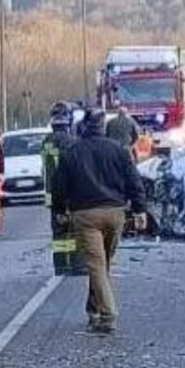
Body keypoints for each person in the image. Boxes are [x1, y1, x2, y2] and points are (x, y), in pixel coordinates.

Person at [51, 107, 146, 334]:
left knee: (96, 265)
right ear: (103, 128)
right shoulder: (119, 150)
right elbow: (134, 181)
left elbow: (59, 186)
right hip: (115, 213)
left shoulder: (72, 152)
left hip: (85, 216)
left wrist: (59, 210)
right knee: (103, 265)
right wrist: (140, 210)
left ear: (82, 127)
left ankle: (108, 314)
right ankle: (94, 308)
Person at [42, 102, 84, 276]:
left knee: (58, 231)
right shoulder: (69, 141)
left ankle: (60, 266)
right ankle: (76, 265)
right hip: (68, 192)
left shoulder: (47, 141)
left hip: (51, 193)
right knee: (74, 230)